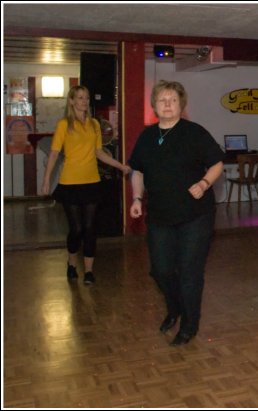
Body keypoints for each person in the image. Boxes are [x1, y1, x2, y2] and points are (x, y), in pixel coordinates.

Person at [128, 80, 224, 346]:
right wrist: (137, 197)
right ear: (154, 106)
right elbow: (137, 170)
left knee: (190, 272)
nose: (168, 104)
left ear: (181, 105)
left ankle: (190, 325)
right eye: (162, 100)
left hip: (196, 214)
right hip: (160, 215)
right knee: (160, 270)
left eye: (173, 100)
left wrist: (204, 184)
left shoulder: (194, 133)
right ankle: (175, 308)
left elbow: (217, 163)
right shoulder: (147, 136)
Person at [40, 85, 131, 285]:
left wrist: (120, 166)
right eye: (80, 98)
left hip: (91, 182)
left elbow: (99, 153)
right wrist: (46, 179)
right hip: (70, 183)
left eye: (86, 98)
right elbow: (54, 153)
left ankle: (89, 271)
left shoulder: (94, 125)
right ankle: (72, 263)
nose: (84, 101)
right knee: (77, 229)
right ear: (71, 101)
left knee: (90, 228)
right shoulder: (64, 124)